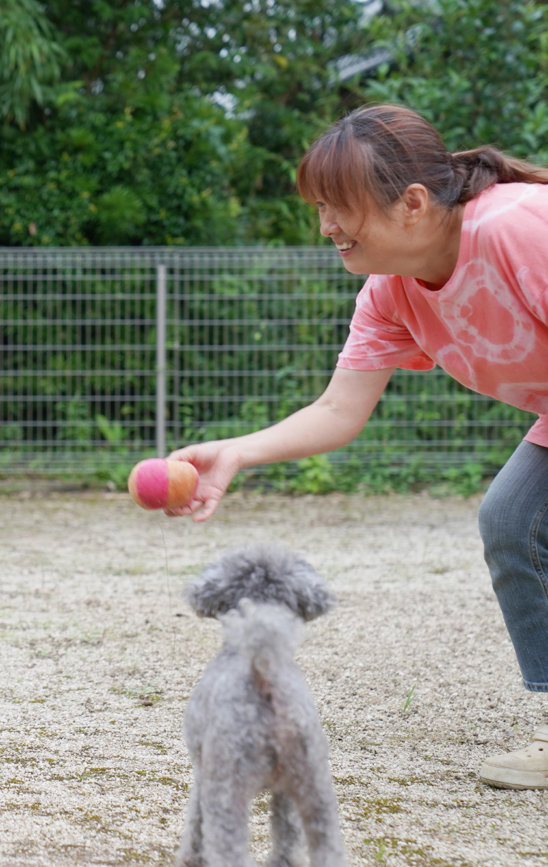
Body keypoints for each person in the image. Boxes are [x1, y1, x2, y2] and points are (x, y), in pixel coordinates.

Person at [166, 103, 548, 789]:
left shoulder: (517, 227)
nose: (326, 226)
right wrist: (237, 451)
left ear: (412, 202)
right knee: (512, 522)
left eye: (338, 206)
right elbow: (340, 409)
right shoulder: (391, 293)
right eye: (319, 206)